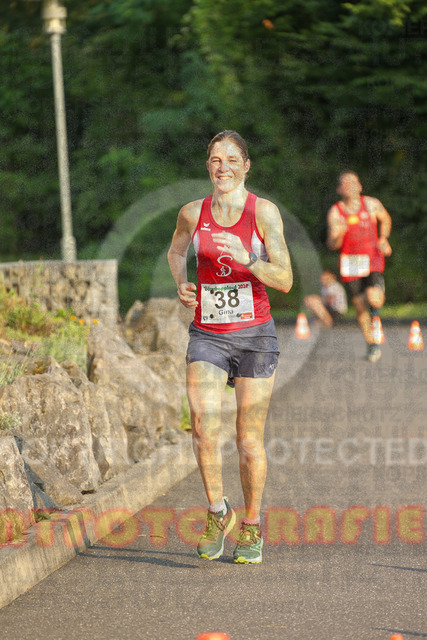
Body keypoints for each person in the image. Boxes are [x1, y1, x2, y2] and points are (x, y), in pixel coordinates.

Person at [167, 130, 293, 563]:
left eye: (232, 160)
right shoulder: (191, 213)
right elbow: (176, 252)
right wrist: (182, 283)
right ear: (208, 166)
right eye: (216, 160)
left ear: (246, 165)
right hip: (208, 334)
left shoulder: (264, 213)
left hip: (255, 336)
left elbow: (285, 279)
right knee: (203, 426)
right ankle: (217, 510)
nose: (223, 167)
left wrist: (248, 259)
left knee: (248, 440)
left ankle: (252, 524)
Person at [327, 171, 392, 362]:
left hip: (372, 258)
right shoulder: (336, 212)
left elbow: (386, 219)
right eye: (345, 183)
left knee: (374, 298)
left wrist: (383, 238)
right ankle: (372, 345)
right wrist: (340, 234)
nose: (349, 185)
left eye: (353, 182)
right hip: (351, 263)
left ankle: (375, 312)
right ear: (339, 189)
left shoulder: (371, 204)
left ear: (360, 186)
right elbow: (332, 244)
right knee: (360, 308)